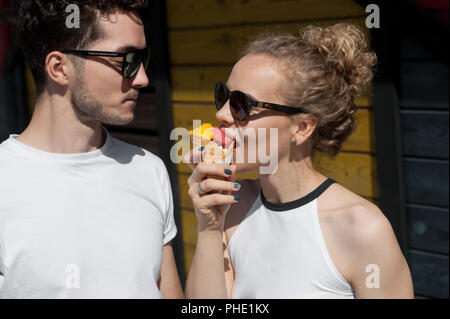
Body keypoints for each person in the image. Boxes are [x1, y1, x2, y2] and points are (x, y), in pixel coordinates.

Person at [184, 23, 414, 299]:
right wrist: (209, 228)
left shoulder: (362, 228)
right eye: (223, 96)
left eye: (241, 104)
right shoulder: (231, 207)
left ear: (302, 128)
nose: (221, 114)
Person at [0, 0, 183, 298]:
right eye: (126, 59)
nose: (142, 78)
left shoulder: (149, 169)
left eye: (142, 59)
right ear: (60, 68)